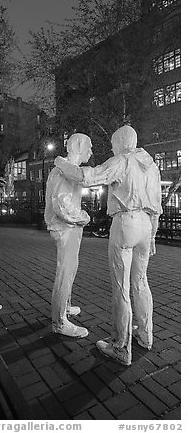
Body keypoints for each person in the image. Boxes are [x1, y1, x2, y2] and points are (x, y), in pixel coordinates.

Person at [54, 125, 162, 365]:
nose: (111, 148)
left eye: (113, 144)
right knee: (141, 282)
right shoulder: (151, 166)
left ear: (121, 142)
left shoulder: (122, 161)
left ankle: (121, 347)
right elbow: (157, 204)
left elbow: (87, 176)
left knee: (122, 287)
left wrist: (61, 163)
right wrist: (153, 235)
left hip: (126, 223)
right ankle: (145, 335)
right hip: (146, 224)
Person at [44, 133, 93, 338]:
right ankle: (60, 320)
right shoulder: (65, 172)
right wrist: (81, 217)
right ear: (80, 148)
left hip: (68, 227)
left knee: (70, 269)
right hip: (66, 227)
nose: (91, 151)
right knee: (65, 271)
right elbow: (60, 205)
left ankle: (66, 305)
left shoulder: (65, 170)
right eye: (89, 147)